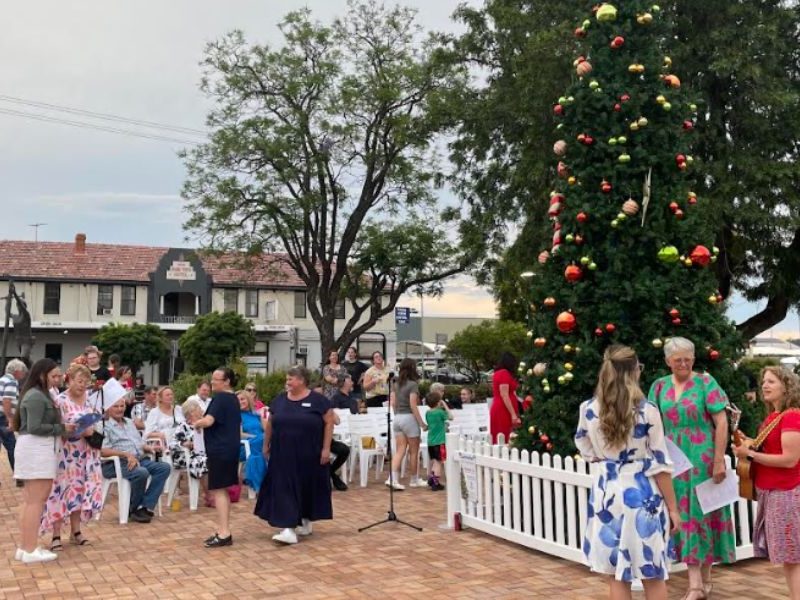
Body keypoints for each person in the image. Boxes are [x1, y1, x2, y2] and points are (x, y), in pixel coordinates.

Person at [576, 345, 680, 600]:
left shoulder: (588, 408)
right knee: (652, 573)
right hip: (642, 494)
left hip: (607, 494)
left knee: (616, 576)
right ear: (634, 371)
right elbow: (660, 464)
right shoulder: (647, 410)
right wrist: (673, 509)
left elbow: (583, 445)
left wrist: (606, 459)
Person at [647, 336, 735, 599]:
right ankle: (698, 583)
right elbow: (651, 423)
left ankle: (701, 582)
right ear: (668, 361)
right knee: (684, 517)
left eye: (688, 359)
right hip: (673, 461)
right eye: (678, 360)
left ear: (694, 359)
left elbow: (722, 422)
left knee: (702, 516)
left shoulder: (706, 382)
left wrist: (718, 460)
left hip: (702, 459)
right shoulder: (659, 386)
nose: (683, 364)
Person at [732, 366, 800, 599]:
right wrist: (748, 443)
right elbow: (770, 448)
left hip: (787, 493)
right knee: (790, 558)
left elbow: (790, 459)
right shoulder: (774, 417)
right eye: (764, 382)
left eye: (771, 381)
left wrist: (750, 455)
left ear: (786, 386)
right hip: (774, 492)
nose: (764, 386)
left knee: (793, 557)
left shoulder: (791, 416)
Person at [255, 366, 333, 545]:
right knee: (284, 487)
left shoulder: (318, 401)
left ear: (301, 380)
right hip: (282, 453)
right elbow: (270, 424)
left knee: (306, 485)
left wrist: (326, 449)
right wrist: (266, 445)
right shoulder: (279, 400)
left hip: (309, 453)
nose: (287, 382)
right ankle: (288, 528)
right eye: (287, 379)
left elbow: (329, 423)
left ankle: (305, 519)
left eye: (290, 379)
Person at [13, 359, 77, 563]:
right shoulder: (35, 396)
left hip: (38, 449)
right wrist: (61, 429)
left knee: (31, 501)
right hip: (37, 450)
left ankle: (26, 546)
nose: (58, 379)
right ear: (42, 375)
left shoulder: (41, 394)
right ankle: (29, 548)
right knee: (36, 501)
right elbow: (34, 427)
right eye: (54, 376)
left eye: (59, 375)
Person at [41, 363, 104, 550]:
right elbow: (56, 428)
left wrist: (90, 430)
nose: (82, 385)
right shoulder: (60, 401)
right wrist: (71, 431)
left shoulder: (89, 400)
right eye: (79, 381)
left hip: (86, 453)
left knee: (79, 490)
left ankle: (76, 531)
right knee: (61, 491)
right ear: (69, 380)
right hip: (66, 453)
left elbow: (95, 422)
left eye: (86, 382)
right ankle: (56, 534)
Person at [192, 367, 241, 548]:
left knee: (219, 490)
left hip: (220, 450)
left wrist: (197, 423)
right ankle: (223, 529)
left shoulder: (221, 398)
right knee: (223, 490)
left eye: (216, 379)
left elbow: (209, 420)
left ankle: (224, 533)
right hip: (229, 449)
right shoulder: (233, 398)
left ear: (227, 381)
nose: (212, 382)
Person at [101, 399, 171, 524]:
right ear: (108, 408)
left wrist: (149, 448)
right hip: (115, 463)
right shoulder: (103, 425)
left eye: (122, 406)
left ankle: (145, 506)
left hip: (138, 459)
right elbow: (102, 451)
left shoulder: (129, 422)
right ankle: (133, 509)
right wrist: (126, 454)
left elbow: (138, 444)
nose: (120, 409)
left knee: (164, 467)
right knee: (141, 472)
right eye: (116, 406)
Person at [388, 358, 427, 490]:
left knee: (400, 450)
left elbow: (393, 403)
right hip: (409, 418)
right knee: (414, 452)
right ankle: (414, 480)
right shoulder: (413, 385)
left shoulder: (395, 384)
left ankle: (393, 479)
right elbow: (413, 405)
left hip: (397, 418)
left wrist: (397, 415)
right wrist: (421, 423)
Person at [1, 359, 28, 478]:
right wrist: (10, 420)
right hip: (3, 418)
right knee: (12, 446)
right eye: (23, 372)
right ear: (17, 371)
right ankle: (19, 475)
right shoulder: (12, 382)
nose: (23, 376)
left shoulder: (2, 380)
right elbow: (7, 401)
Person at [169, 398, 208, 480]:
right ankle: (211, 488)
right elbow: (172, 444)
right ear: (192, 412)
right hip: (188, 456)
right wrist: (184, 443)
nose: (202, 410)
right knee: (208, 462)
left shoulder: (205, 424)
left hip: (204, 454)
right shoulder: (183, 426)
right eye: (199, 408)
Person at [489, 352, 520, 444]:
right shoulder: (504, 373)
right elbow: (504, 395)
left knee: (502, 435)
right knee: (504, 434)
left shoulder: (498, 373)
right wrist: (513, 414)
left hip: (500, 407)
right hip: (503, 409)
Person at [425, 390, 452, 491]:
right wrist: (445, 406)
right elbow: (451, 417)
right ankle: (435, 481)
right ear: (438, 402)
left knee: (435, 461)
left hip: (430, 441)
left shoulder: (428, 413)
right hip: (439, 441)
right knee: (439, 462)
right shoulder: (440, 412)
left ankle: (432, 478)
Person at [144, 386, 184, 451]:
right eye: (167, 395)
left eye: (171, 394)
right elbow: (147, 434)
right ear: (160, 398)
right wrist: (162, 434)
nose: (170, 397)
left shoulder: (179, 409)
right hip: (164, 444)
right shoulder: (154, 412)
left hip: (181, 440)